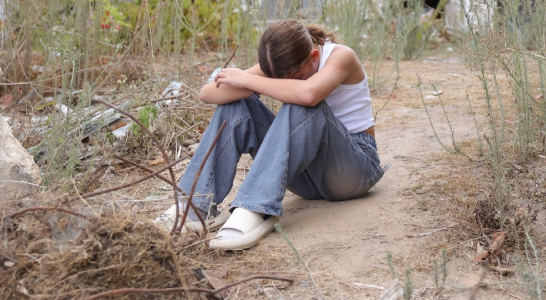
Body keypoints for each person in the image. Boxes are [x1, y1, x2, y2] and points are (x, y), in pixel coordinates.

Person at [157, 20, 385, 251]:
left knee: (303, 103)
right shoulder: (282, 63)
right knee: (234, 104)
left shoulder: (341, 56)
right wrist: (249, 84)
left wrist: (247, 80)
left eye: (296, 76)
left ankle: (255, 207)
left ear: (314, 56)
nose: (289, 83)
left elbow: (308, 94)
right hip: (308, 177)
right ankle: (195, 205)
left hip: (352, 169)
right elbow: (207, 94)